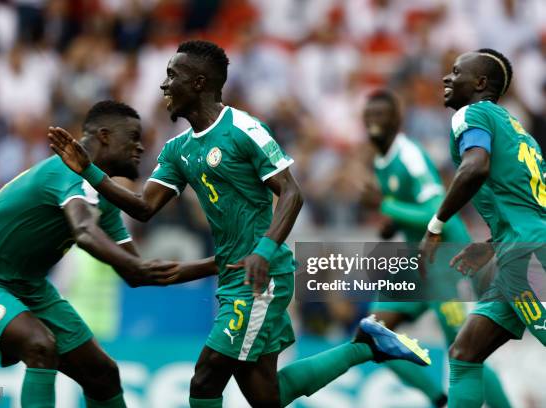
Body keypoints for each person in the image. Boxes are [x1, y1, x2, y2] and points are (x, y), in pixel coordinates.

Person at [49, 40, 431, 408]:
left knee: (206, 377)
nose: (163, 84)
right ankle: (365, 345)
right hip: (233, 276)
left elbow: (291, 193)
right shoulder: (177, 149)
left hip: (261, 276)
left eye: (171, 74)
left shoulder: (243, 129)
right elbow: (143, 207)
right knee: (268, 396)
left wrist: (263, 252)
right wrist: (90, 171)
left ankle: (366, 344)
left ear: (198, 83)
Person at [0, 100, 216, 408]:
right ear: (105, 136)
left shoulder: (104, 197)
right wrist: (138, 265)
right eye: (133, 138)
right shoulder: (65, 173)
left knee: (103, 373)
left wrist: (220, 264)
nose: (140, 147)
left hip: (28, 287)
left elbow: (136, 273)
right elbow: (84, 232)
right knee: (39, 345)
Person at [362, 89, 510, 407]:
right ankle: (437, 398)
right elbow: (408, 210)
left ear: (397, 120)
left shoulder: (409, 156)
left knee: (465, 351)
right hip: (418, 263)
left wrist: (387, 205)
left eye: (380, 115)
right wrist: (392, 222)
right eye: (369, 115)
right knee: (370, 335)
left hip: (446, 260)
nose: (373, 121)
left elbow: (435, 209)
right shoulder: (380, 160)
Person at [420, 48, 546, 408]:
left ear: (479, 83)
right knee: (464, 352)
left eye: (456, 71)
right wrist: (491, 243)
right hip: (520, 249)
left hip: (526, 257)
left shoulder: (470, 114)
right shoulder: (519, 133)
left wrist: (436, 225)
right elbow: (527, 204)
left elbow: (475, 167)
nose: (447, 77)